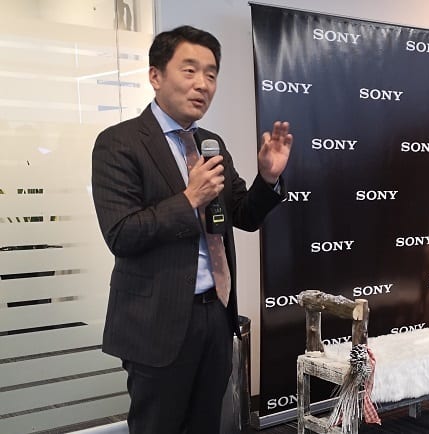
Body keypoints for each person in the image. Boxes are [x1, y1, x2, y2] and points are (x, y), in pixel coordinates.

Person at [91, 25, 292, 434]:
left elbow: (243, 215)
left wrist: (268, 179)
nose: (203, 84)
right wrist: (189, 199)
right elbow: (121, 233)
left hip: (215, 315)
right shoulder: (119, 143)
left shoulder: (211, 144)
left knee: (206, 424)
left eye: (211, 74)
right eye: (189, 70)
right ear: (155, 75)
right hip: (156, 321)